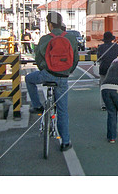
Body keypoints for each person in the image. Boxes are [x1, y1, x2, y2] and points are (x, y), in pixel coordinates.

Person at [25, 12, 79, 151]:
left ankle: (37, 106)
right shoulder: (71, 38)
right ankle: (65, 142)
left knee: (29, 79)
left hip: (47, 75)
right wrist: (68, 71)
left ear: (49, 24)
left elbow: (38, 59)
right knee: (62, 111)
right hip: (63, 78)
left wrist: (45, 69)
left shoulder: (45, 39)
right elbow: (75, 59)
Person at [97, 31, 118, 110]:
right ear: (112, 39)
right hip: (113, 68)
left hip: (103, 68)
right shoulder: (115, 46)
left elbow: (98, 58)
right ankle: (114, 102)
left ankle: (103, 104)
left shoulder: (101, 47)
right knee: (114, 86)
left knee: (103, 86)